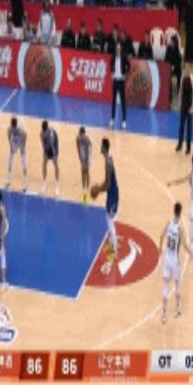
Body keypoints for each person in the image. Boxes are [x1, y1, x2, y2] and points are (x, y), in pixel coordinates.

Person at [159, 202, 193, 324]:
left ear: (174, 211)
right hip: (174, 261)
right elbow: (184, 244)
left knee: (166, 286)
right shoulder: (180, 228)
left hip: (167, 259)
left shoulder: (169, 222)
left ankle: (163, 313)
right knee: (177, 284)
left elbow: (161, 236)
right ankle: (177, 308)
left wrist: (160, 248)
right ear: (181, 212)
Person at [91, 138, 119, 274]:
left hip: (112, 194)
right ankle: (113, 244)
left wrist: (98, 189)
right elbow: (107, 182)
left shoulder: (108, 163)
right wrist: (100, 187)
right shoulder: (108, 159)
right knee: (109, 219)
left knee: (109, 221)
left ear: (104, 147)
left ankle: (114, 250)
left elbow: (107, 185)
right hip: (112, 193)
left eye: (101, 145)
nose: (100, 147)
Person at [176, 62, 193, 155]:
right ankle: (180, 144)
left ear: (190, 69)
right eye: (185, 67)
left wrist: (192, 107)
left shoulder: (192, 79)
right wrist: (179, 102)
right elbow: (180, 90)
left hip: (189, 105)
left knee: (189, 128)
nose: (187, 69)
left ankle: (188, 147)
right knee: (181, 125)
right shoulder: (182, 77)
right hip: (183, 104)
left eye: (188, 68)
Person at [110, 42, 130, 129]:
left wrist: (125, 74)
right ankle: (112, 119)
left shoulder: (124, 57)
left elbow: (129, 66)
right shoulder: (113, 57)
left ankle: (124, 120)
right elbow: (110, 65)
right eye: (117, 48)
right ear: (115, 49)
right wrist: (112, 72)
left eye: (119, 48)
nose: (118, 50)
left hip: (121, 81)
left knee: (123, 101)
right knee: (113, 101)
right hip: (115, 81)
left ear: (121, 49)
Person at [6, 117, 28, 192]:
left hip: (21, 143)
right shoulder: (9, 129)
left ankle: (25, 184)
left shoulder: (21, 130)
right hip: (15, 143)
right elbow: (8, 135)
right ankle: (8, 180)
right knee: (10, 162)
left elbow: (25, 135)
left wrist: (23, 147)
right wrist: (11, 145)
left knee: (23, 164)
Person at [40, 120, 60, 196]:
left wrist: (54, 154)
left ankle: (57, 185)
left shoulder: (51, 133)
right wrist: (45, 152)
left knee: (56, 165)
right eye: (43, 130)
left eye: (45, 130)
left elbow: (52, 144)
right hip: (47, 147)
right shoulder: (41, 133)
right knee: (44, 163)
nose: (44, 132)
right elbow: (43, 144)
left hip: (54, 146)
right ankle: (44, 182)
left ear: (47, 128)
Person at [76, 126, 93, 203]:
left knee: (87, 171)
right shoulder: (78, 139)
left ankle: (88, 191)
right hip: (83, 151)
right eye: (80, 135)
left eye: (82, 135)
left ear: (84, 134)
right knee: (82, 171)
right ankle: (84, 191)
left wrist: (85, 163)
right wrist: (81, 161)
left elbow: (87, 153)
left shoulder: (87, 140)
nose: (81, 136)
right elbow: (78, 150)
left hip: (89, 152)